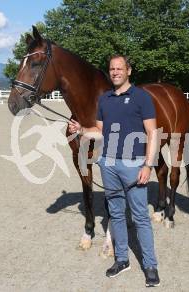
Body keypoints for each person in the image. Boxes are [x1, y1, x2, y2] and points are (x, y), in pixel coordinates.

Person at [68, 55, 160, 287]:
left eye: (120, 68)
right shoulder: (105, 99)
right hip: (108, 164)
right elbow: (99, 132)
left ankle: (150, 265)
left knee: (140, 217)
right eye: (112, 69)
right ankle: (122, 259)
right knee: (116, 214)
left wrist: (148, 165)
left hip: (134, 164)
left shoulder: (142, 97)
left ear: (129, 70)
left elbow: (153, 133)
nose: (115, 72)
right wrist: (81, 130)